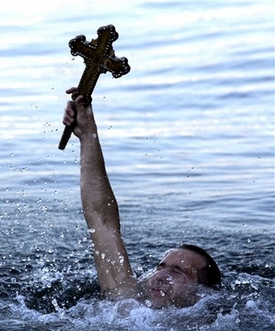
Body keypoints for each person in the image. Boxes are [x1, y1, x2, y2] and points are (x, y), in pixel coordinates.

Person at [62, 87, 221, 309]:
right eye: (160, 267)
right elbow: (101, 222)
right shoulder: (126, 301)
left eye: (177, 271)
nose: (161, 276)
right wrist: (87, 134)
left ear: (202, 295)